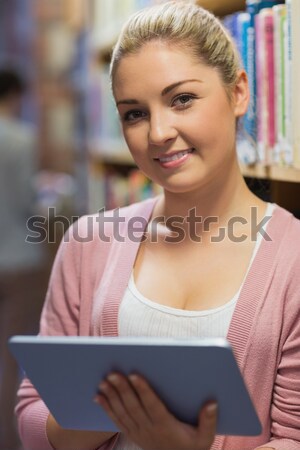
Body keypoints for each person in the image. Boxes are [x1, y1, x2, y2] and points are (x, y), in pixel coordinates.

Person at [15, 2, 300, 450]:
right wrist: (114, 410)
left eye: (181, 99)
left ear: (238, 92)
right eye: (134, 113)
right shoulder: (88, 243)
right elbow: (33, 416)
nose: (158, 133)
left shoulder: (293, 260)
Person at [0, 68, 47, 450]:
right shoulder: (21, 138)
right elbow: (25, 204)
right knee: (15, 355)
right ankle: (14, 439)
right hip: (19, 258)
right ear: (15, 94)